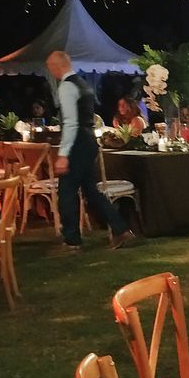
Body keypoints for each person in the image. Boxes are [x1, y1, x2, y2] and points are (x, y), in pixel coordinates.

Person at [45, 51, 134, 251]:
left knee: (67, 191)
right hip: (89, 139)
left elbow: (70, 122)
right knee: (91, 191)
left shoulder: (67, 87)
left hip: (77, 141)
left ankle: (71, 239)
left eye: (50, 66)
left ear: (58, 66)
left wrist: (63, 154)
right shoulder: (84, 84)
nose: (50, 70)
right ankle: (120, 228)